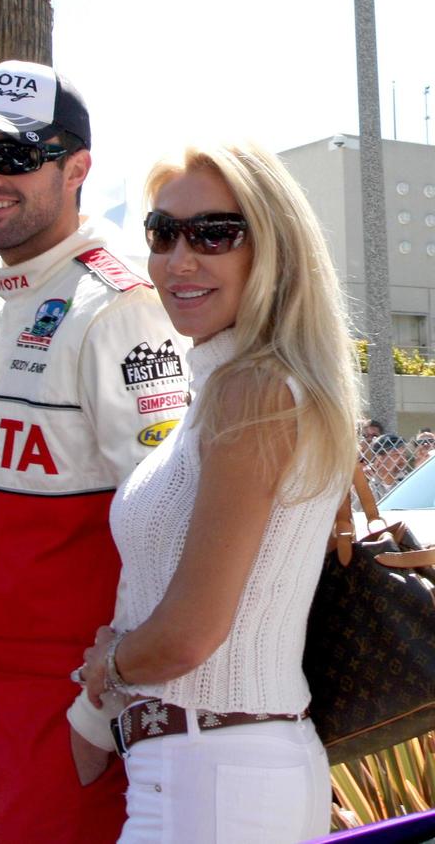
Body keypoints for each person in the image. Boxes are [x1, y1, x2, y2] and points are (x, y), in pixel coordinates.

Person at [0, 60, 190, 843]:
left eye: (13, 155)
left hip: (68, 699)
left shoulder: (120, 307)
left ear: (77, 168)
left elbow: (171, 527)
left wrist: (91, 715)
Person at [73, 141, 359, 843]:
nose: (180, 259)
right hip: (216, 773)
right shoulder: (233, 390)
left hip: (214, 782)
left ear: (273, 250)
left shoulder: (253, 393)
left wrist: (104, 668)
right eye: (163, 233)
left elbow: (191, 634)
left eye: (214, 234)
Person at [368, 432, 409, 499]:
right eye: (396, 455)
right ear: (379, 459)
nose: (403, 460)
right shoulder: (367, 486)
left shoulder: (408, 483)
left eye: (404, 455)